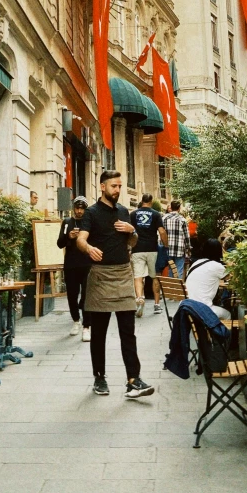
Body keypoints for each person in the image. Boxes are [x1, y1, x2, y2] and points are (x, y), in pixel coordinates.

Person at [76, 170, 154, 398]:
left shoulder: (123, 212)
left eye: (120, 186)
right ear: (102, 187)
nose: (118, 190)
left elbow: (131, 242)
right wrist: (88, 248)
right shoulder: (91, 213)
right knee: (98, 333)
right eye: (114, 186)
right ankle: (99, 377)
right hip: (100, 277)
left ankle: (133, 380)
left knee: (128, 332)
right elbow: (81, 239)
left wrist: (133, 231)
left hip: (123, 275)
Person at [57, 196, 91, 341]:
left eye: (82, 208)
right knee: (72, 294)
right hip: (71, 264)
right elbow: (59, 243)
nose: (79, 211)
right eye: (77, 208)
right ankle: (76, 321)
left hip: (87, 264)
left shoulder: (89, 223)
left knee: (86, 295)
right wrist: (69, 237)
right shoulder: (67, 222)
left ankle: (86, 326)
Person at [130, 194, 168, 317]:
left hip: (137, 249)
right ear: (151, 202)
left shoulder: (133, 214)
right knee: (155, 276)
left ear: (142, 201)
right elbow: (162, 231)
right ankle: (157, 305)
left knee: (138, 277)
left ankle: (140, 299)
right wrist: (166, 245)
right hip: (152, 249)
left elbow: (129, 231)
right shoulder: (156, 214)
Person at [185, 238, 230, 320]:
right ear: (218, 252)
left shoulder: (196, 263)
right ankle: (218, 332)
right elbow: (232, 278)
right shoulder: (217, 266)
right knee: (228, 315)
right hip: (203, 309)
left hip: (188, 307)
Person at [162, 200, 191, 279]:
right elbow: (186, 236)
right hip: (179, 248)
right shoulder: (182, 219)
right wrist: (188, 247)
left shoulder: (164, 218)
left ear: (171, 207)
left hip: (167, 248)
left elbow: (161, 232)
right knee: (179, 270)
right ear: (179, 208)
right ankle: (177, 289)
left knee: (170, 269)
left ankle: (170, 289)